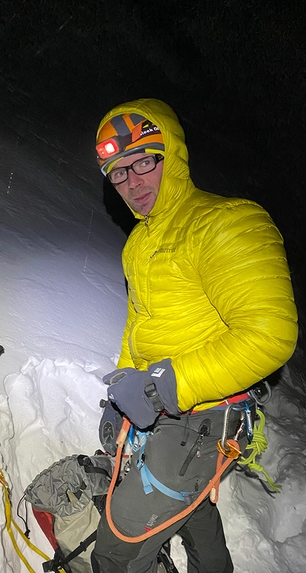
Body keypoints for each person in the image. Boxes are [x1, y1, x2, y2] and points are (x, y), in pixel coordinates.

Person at [92, 98, 298, 573]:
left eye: (144, 161)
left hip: (206, 418)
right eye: (118, 172)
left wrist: (162, 386)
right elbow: (141, 322)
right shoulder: (139, 243)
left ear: (174, 155)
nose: (132, 182)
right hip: (161, 411)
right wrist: (124, 394)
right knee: (193, 511)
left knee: (119, 544)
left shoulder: (228, 222)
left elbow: (270, 335)